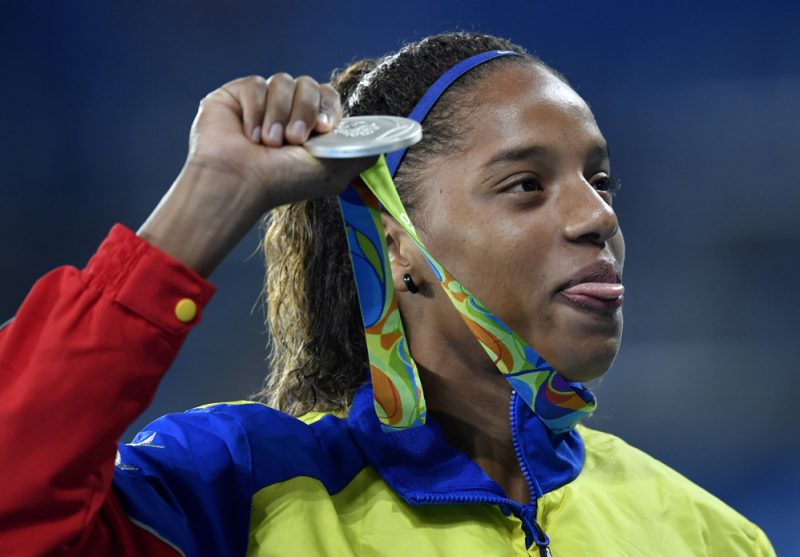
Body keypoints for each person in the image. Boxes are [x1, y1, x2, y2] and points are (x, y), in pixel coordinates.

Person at [0, 32, 775, 557]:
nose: (597, 216)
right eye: (526, 185)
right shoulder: (236, 495)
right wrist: (212, 195)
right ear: (399, 240)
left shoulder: (711, 534)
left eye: (600, 180)